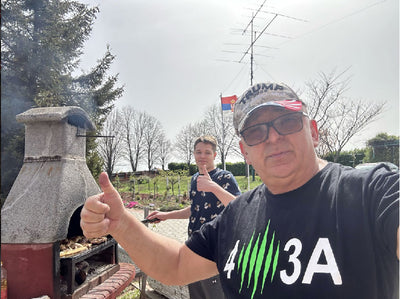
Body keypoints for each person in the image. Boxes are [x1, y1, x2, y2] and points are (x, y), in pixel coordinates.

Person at [81, 82, 399, 299]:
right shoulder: (236, 215)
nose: (273, 138)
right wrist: (121, 224)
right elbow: (177, 264)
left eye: (286, 122)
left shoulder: (372, 191)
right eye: (256, 131)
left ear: (312, 131)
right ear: (244, 151)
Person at [146, 135, 241, 299]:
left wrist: (213, 187)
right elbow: (195, 209)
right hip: (194, 245)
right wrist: (166, 215)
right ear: (194, 154)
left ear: (215, 155)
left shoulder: (224, 177)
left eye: (207, 152)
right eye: (198, 152)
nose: (202, 156)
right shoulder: (195, 179)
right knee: (197, 293)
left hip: (216, 248)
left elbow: (239, 207)